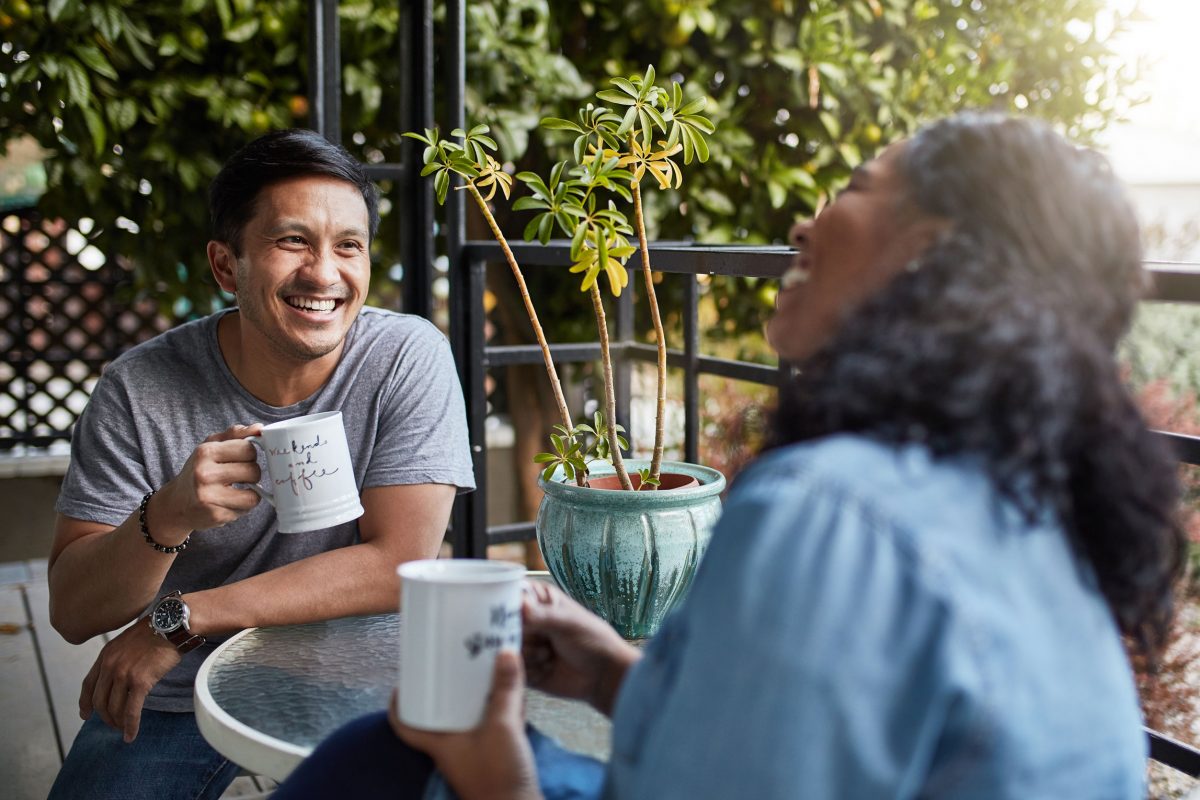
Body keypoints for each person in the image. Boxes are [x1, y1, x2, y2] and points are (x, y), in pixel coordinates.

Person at [272, 113, 1185, 799]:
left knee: (379, 758)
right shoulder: (1023, 498)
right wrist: (608, 672)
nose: (802, 227)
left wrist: (496, 770)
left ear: (928, 255)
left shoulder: (830, 512)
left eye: (858, 189)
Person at [46, 128, 475, 800]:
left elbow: (401, 562)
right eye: (292, 241)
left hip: (360, 672)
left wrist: (182, 620)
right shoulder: (139, 389)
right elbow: (73, 609)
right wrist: (169, 514)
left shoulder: (405, 357)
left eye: (348, 246)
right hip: (177, 689)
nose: (325, 274)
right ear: (226, 266)